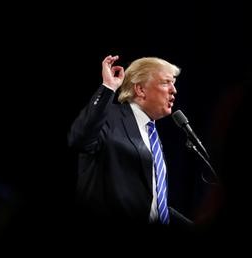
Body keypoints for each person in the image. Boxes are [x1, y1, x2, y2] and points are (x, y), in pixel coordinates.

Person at [68, 54, 189, 225]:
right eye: (165, 82)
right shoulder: (109, 116)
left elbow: (153, 204)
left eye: (173, 83)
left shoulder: (151, 134)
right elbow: (80, 139)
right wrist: (108, 87)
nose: (174, 90)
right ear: (140, 89)